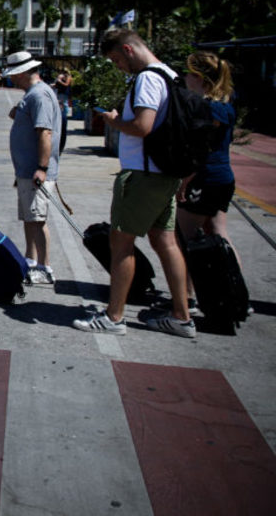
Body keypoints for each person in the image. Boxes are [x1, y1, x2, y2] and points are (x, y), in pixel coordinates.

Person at [73, 28, 195, 338]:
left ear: (128, 50)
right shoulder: (170, 74)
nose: (118, 66)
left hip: (142, 174)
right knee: (165, 241)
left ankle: (114, 317)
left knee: (121, 243)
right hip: (164, 173)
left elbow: (143, 126)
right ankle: (182, 314)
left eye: (116, 59)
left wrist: (114, 122)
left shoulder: (147, 78)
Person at [176, 51, 239, 271]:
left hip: (203, 177)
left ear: (199, 78)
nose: (184, 77)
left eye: (187, 73)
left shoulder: (207, 108)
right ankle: (237, 294)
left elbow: (200, 149)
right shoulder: (225, 104)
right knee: (218, 233)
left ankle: (189, 296)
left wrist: (185, 180)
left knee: (187, 238)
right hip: (223, 176)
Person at [6, 51, 63, 286]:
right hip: (26, 170)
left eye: (13, 75)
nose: (11, 79)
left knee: (38, 219)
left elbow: (45, 132)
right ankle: (30, 259)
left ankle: (45, 265)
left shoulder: (39, 95)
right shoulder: (32, 95)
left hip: (34, 170)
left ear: (22, 73)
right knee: (29, 217)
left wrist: (42, 167)